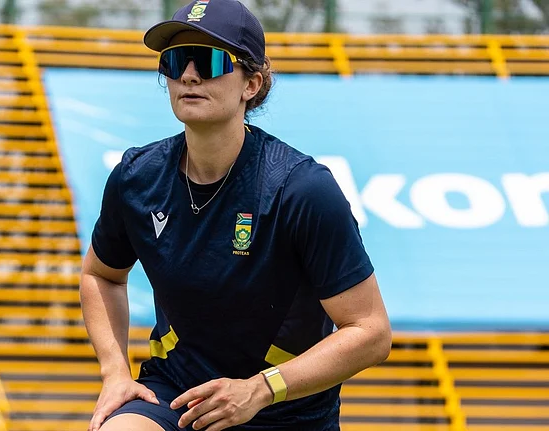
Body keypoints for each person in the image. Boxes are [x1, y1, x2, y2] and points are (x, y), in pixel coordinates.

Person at [79, 1, 393, 430]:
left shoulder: (301, 188)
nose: (189, 75)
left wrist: (259, 390)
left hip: (284, 412)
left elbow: (371, 332)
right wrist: (115, 373)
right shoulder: (137, 176)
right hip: (176, 395)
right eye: (175, 61)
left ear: (251, 84)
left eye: (208, 61)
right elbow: (101, 275)